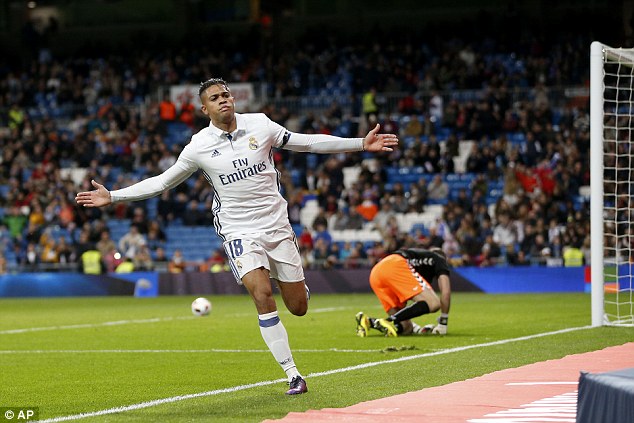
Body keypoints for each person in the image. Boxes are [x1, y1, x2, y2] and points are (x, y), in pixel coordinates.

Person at [75, 77, 398, 395]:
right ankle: (293, 374)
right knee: (261, 294)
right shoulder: (199, 146)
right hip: (237, 228)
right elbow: (162, 182)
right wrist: (114, 196)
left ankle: (296, 287)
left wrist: (359, 143)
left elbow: (307, 142)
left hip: (276, 225)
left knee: (298, 307)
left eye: (226, 94)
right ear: (205, 108)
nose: (223, 99)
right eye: (215, 97)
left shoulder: (260, 124)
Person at [356, 247, 451, 337]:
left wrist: (419, 329)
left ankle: (369, 322)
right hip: (396, 265)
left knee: (406, 327)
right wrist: (443, 323)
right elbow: (446, 292)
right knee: (434, 303)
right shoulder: (438, 259)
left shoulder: (419, 259)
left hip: (377, 272)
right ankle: (389, 321)